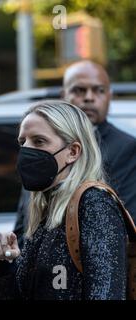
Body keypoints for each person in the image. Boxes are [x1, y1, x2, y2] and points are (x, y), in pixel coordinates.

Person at [0, 100, 127, 299]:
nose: (26, 150)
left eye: (39, 141)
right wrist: (4, 263)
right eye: (22, 142)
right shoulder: (44, 212)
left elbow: (106, 293)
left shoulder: (94, 204)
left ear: (72, 152)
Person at [14, 60, 136, 245]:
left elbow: (122, 220)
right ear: (64, 95)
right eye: (79, 90)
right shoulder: (39, 148)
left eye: (99, 90)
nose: (89, 97)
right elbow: (24, 220)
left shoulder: (126, 147)